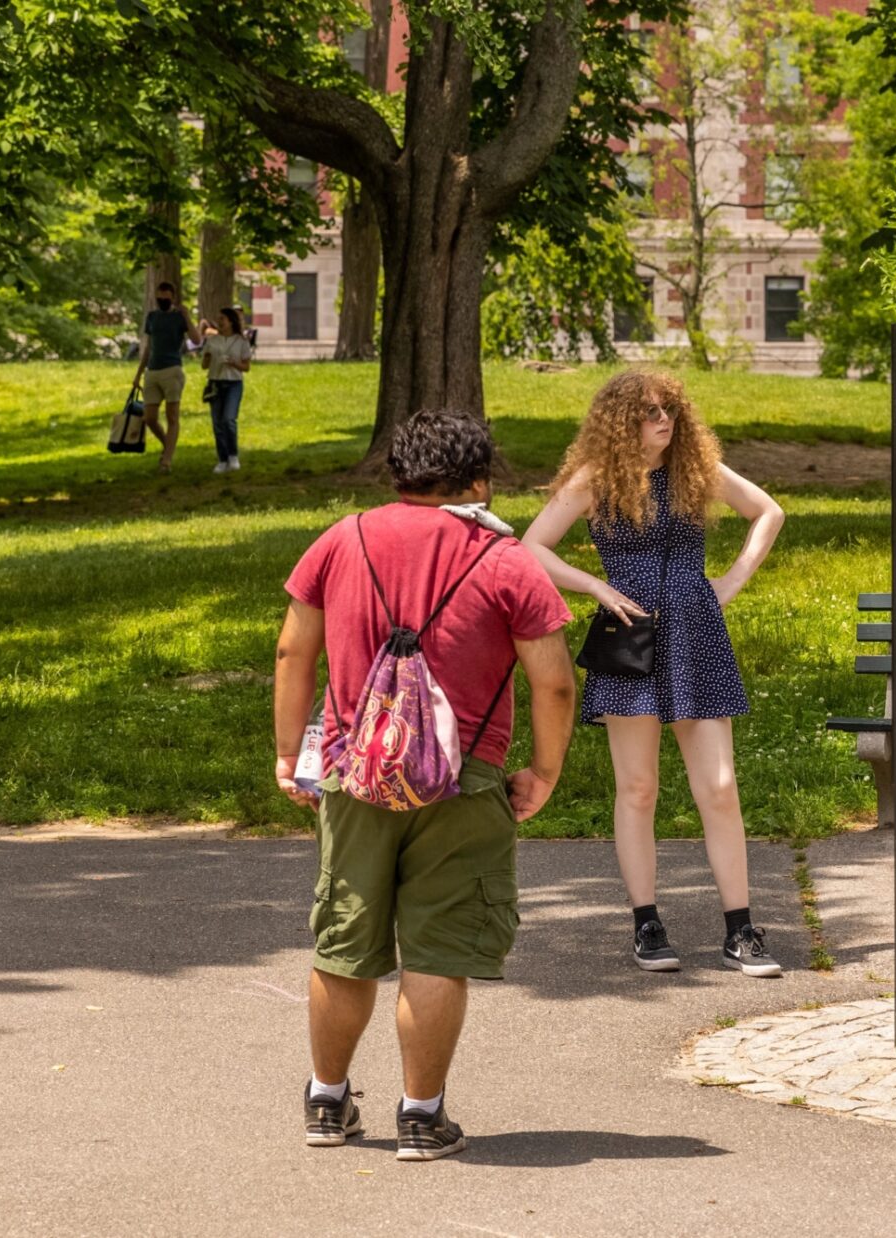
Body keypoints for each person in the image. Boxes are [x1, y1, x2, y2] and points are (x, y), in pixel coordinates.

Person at [274, 411, 576, 1161]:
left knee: (345, 944)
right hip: (464, 782)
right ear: (477, 481)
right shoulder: (505, 560)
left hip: (355, 772)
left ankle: (326, 1102)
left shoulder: (342, 541)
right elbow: (556, 684)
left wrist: (291, 754)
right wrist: (543, 770)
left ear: (399, 475)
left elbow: (291, 650)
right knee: (437, 951)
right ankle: (420, 1116)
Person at [524, 370, 786, 978]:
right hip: (632, 637)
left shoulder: (696, 471)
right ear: (621, 420)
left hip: (695, 632)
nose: (662, 420)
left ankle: (740, 930)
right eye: (647, 412)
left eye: (668, 409)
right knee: (638, 788)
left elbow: (768, 511)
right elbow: (532, 545)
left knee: (719, 787)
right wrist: (594, 585)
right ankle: (646, 921)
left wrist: (732, 581)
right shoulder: (596, 479)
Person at [132, 281, 202, 474]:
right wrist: (138, 374)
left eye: (165, 297)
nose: (162, 300)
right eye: (159, 297)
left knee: (172, 416)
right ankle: (168, 445)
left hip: (172, 370)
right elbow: (148, 347)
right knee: (149, 417)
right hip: (152, 371)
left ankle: (166, 461)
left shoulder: (179, 317)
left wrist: (187, 316)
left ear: (172, 297)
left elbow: (197, 340)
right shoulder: (152, 317)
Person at [199, 305, 253, 473]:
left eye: (222, 319)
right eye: (219, 319)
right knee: (217, 423)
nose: (219, 322)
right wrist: (207, 358)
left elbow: (246, 367)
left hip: (233, 383)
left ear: (231, 321)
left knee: (229, 419)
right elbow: (204, 366)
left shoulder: (241, 341)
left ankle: (233, 455)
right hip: (215, 382)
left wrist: (234, 363)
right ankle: (222, 459)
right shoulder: (212, 341)